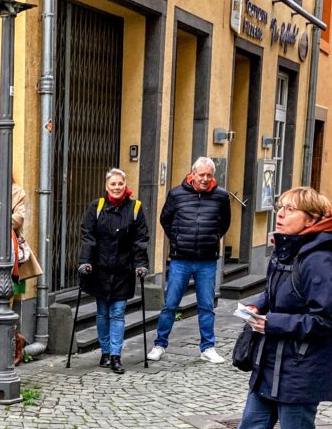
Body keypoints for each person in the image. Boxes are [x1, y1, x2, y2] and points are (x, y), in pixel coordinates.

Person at [209, 187, 332, 429]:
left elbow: (325, 320)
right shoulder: (286, 250)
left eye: (290, 209)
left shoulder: (319, 259)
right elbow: (274, 292)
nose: (281, 214)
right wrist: (258, 304)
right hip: (270, 360)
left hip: (302, 366)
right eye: (281, 207)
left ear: (311, 219)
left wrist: (274, 323)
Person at [149, 157, 231, 364]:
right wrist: (177, 239)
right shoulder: (176, 194)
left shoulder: (221, 196)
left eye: (209, 175)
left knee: (206, 306)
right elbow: (165, 219)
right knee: (170, 304)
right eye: (201, 175)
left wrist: (212, 238)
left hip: (207, 260)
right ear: (192, 174)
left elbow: (225, 223)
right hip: (181, 259)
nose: (205, 179)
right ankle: (159, 344)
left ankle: (208, 348)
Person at [77, 169, 150, 374]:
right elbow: (88, 235)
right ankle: (105, 352)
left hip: (123, 270)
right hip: (100, 269)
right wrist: (85, 261)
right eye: (113, 184)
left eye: (120, 184)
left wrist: (141, 264)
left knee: (117, 313)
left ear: (125, 185)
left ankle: (116, 356)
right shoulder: (97, 206)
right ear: (106, 186)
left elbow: (140, 239)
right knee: (102, 313)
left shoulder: (135, 208)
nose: (117, 187)